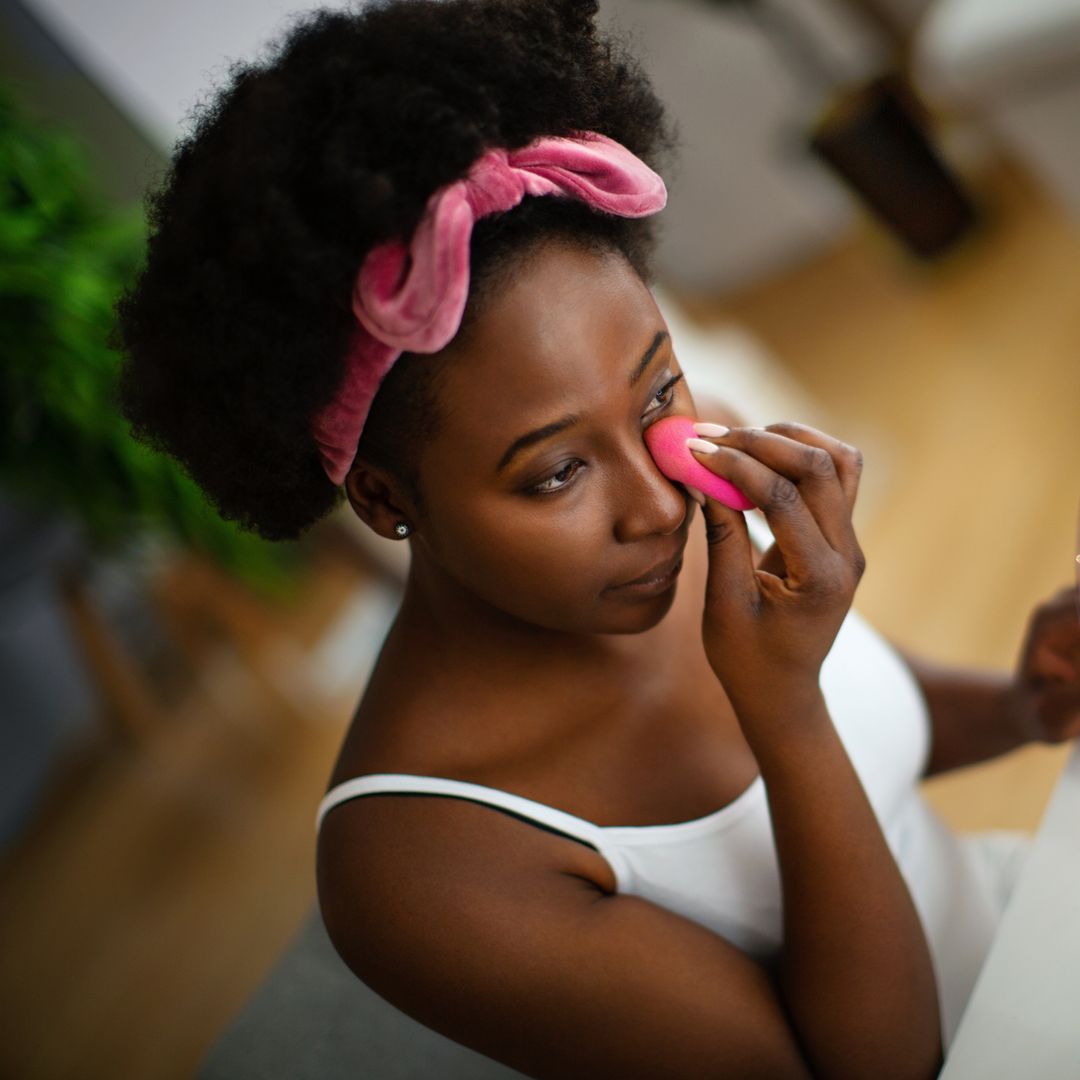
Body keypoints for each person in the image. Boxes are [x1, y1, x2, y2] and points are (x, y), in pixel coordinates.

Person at [112, 1, 1080, 1077]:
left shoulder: (683, 462)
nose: (660, 507)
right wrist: (784, 709)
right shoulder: (417, 867)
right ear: (387, 500)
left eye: (656, 385)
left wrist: (1027, 704)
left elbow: (881, 742)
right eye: (555, 471)